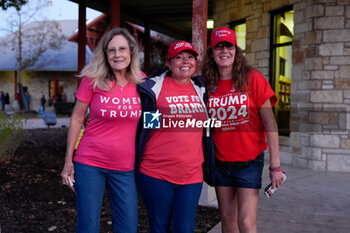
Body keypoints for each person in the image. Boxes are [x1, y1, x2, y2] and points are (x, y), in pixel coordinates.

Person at [61, 27, 144, 233]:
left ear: (131, 52)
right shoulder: (93, 78)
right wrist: (68, 160)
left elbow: (151, 120)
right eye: (112, 50)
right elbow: (77, 117)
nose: (117, 54)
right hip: (90, 162)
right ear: (105, 55)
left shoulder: (142, 81)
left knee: (128, 226)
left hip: (125, 167)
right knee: (88, 226)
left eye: (122, 49)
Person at [202, 27, 284, 233]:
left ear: (236, 50)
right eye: (218, 47)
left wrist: (276, 167)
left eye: (228, 46)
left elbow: (270, 124)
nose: (224, 51)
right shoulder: (205, 83)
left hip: (249, 161)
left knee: (246, 223)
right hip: (221, 162)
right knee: (228, 222)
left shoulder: (253, 78)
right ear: (211, 52)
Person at [136, 41, 215, 233]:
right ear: (169, 63)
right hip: (156, 173)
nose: (185, 61)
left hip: (191, 175)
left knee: (185, 228)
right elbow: (147, 127)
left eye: (190, 57)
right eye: (179, 57)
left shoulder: (200, 89)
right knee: (158, 227)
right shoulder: (155, 89)